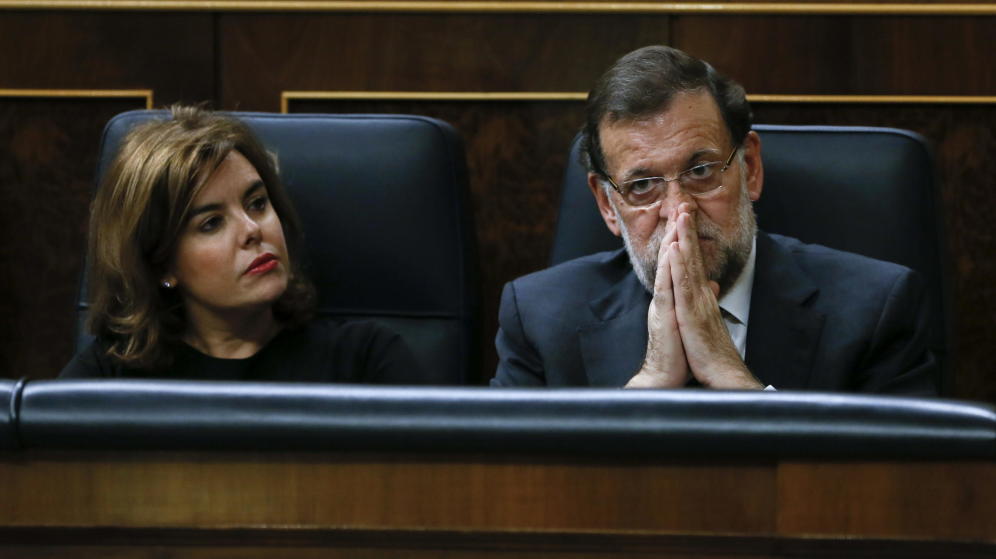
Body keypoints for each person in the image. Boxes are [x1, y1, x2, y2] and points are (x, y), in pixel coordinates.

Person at [492, 46, 937, 393]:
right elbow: (512, 494)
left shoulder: (875, 312)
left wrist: (732, 378)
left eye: (701, 172)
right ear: (608, 205)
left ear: (750, 168)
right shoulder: (539, 318)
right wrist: (649, 383)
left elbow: (894, 497)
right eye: (642, 186)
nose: (678, 212)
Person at [61, 106, 422, 383]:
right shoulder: (108, 379)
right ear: (160, 265)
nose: (252, 230)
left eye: (257, 203)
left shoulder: (366, 361)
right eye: (212, 223)